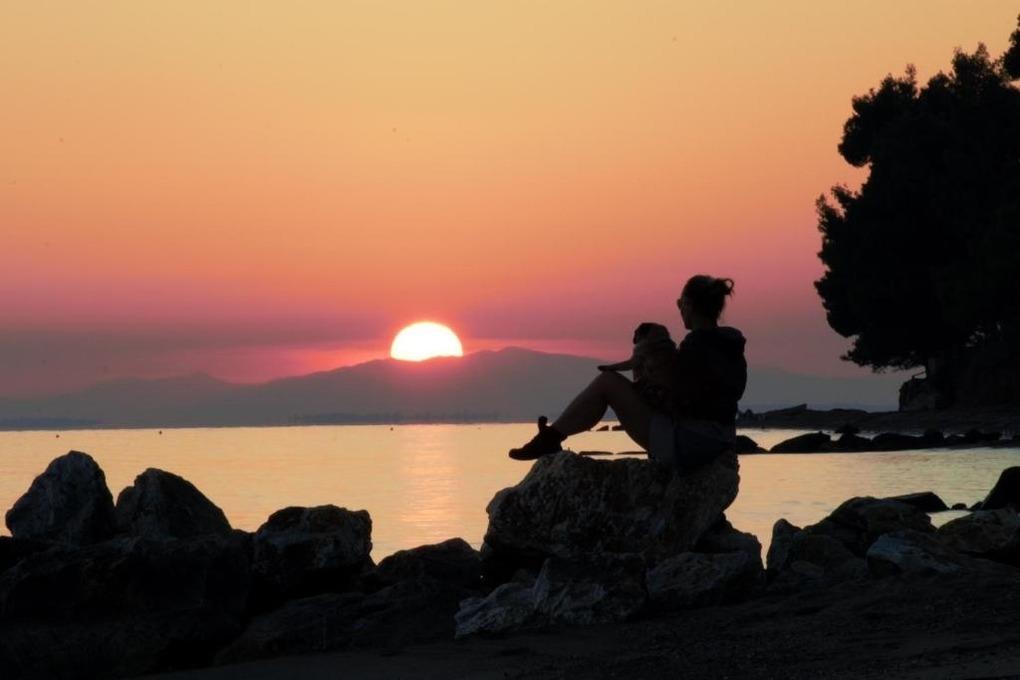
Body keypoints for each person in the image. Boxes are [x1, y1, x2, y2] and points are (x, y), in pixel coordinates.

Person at [508, 275, 747, 471]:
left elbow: (677, 400)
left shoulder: (696, 348)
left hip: (689, 444)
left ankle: (548, 440)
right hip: (721, 439)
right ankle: (549, 438)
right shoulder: (731, 346)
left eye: (679, 304)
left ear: (688, 304)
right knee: (611, 381)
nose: (679, 310)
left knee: (607, 382)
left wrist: (640, 385)